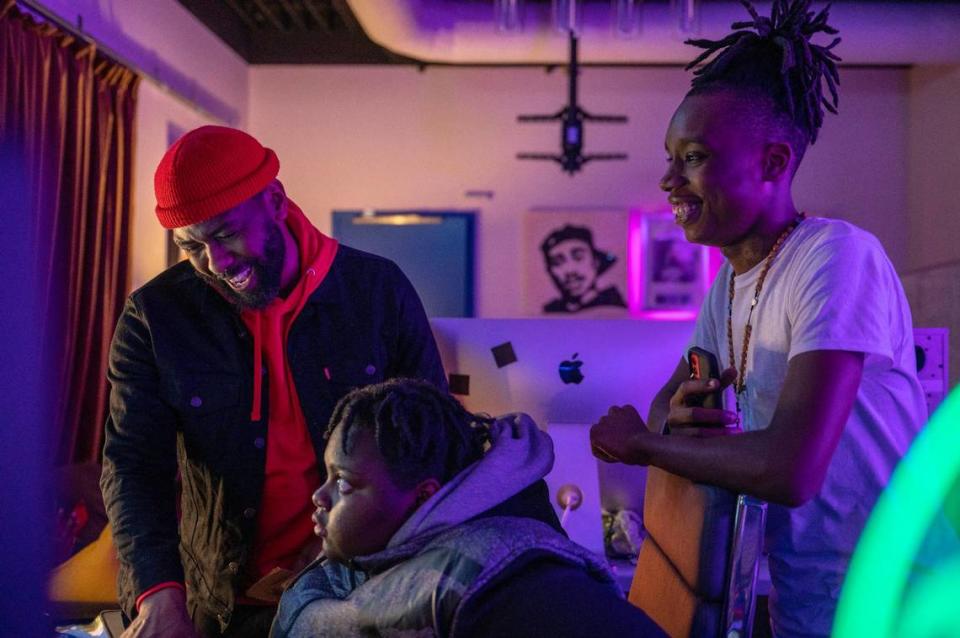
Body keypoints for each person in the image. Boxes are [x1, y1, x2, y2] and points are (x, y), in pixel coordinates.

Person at [589, 2, 927, 636]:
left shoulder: (837, 256)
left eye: (692, 158)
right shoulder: (728, 285)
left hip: (891, 605)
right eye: (671, 158)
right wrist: (672, 421)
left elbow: (788, 470)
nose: (669, 180)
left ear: (772, 163)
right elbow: (670, 401)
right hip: (808, 602)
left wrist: (644, 446)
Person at [100, 125, 447, 638]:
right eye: (191, 248)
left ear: (276, 201)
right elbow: (132, 466)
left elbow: (430, 440)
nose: (216, 265)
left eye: (225, 234)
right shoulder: (153, 316)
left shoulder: (376, 290)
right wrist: (156, 593)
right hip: (217, 604)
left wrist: (343, 534)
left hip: (359, 587)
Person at [272, 379, 665, 638]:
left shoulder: (510, 582)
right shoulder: (381, 561)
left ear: (424, 496)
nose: (319, 497)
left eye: (342, 483)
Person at [541, 224, 627, 313]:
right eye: (557, 263)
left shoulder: (615, 309)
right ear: (550, 271)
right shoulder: (551, 312)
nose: (570, 270)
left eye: (578, 257)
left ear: (596, 262)